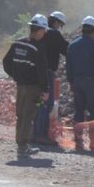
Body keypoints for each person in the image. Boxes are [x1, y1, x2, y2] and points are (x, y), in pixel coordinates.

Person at [3, 14, 49, 159]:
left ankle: (22, 145)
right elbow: (42, 71)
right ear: (39, 30)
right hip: (34, 89)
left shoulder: (17, 43)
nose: (45, 33)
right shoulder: (38, 48)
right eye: (44, 30)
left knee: (21, 115)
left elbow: (6, 62)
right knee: (29, 115)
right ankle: (23, 147)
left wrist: (16, 75)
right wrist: (45, 90)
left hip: (21, 87)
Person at [65, 15, 94, 153]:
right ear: (93, 30)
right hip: (91, 82)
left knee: (79, 110)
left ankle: (78, 141)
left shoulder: (72, 45)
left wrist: (71, 82)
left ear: (82, 28)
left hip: (77, 82)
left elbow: (69, 66)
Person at [32, 11, 69, 146]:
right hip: (47, 73)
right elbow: (66, 50)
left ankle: (32, 132)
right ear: (56, 22)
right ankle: (40, 135)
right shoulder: (54, 34)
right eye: (60, 25)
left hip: (34, 72)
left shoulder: (38, 33)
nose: (60, 27)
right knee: (46, 104)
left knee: (37, 102)